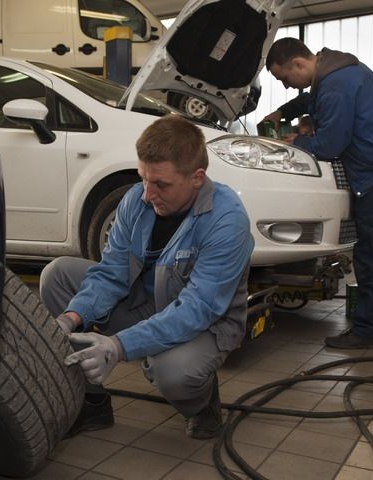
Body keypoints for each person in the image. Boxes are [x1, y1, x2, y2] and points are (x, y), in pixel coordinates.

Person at [39, 114, 254, 439]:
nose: (147, 194)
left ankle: (202, 402)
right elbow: (111, 273)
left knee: (174, 372)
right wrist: (71, 318)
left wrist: (118, 346)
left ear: (197, 178)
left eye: (161, 185)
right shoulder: (136, 200)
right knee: (58, 275)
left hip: (206, 322)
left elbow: (198, 308)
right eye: (144, 179)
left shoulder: (226, 219)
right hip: (146, 302)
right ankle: (91, 402)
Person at [262, 37, 373, 348]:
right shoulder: (342, 70)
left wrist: (297, 142)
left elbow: (329, 145)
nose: (286, 86)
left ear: (298, 64)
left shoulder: (334, 85)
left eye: (284, 78)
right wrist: (283, 111)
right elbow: (312, 101)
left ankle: (368, 331)